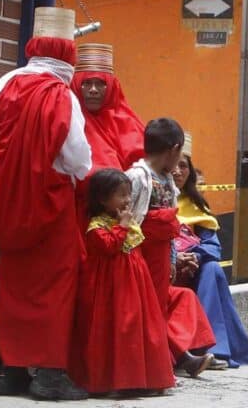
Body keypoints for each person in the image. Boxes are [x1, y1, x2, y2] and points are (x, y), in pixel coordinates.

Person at [0, 7, 91, 400]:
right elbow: (79, 159)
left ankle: (11, 370)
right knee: (55, 288)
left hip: (8, 203)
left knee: (14, 286)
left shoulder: (4, 83)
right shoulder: (62, 95)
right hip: (52, 205)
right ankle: (50, 375)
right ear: (68, 56)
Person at [69, 169, 174, 396]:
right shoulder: (96, 226)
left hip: (134, 283)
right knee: (118, 328)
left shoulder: (123, 219)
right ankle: (116, 380)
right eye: (121, 195)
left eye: (128, 194)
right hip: (112, 287)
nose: (127, 200)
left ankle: (143, 379)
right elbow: (108, 246)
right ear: (102, 199)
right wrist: (123, 226)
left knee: (138, 327)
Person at [127, 118, 217, 376]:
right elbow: (130, 220)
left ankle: (171, 360)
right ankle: (158, 366)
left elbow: (171, 222)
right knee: (146, 311)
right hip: (141, 255)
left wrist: (172, 258)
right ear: (173, 148)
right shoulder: (138, 177)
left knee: (157, 309)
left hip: (161, 256)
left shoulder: (166, 180)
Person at [173, 133, 248, 368]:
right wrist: (174, 258)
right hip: (163, 266)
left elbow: (212, 245)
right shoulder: (150, 196)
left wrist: (195, 257)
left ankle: (214, 349)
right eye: (174, 165)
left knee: (212, 269)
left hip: (194, 268)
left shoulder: (196, 204)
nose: (178, 171)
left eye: (184, 166)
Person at [71, 43, 145, 219]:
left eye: (100, 84)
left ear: (111, 86)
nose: (93, 90)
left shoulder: (127, 121)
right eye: (86, 83)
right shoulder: (69, 120)